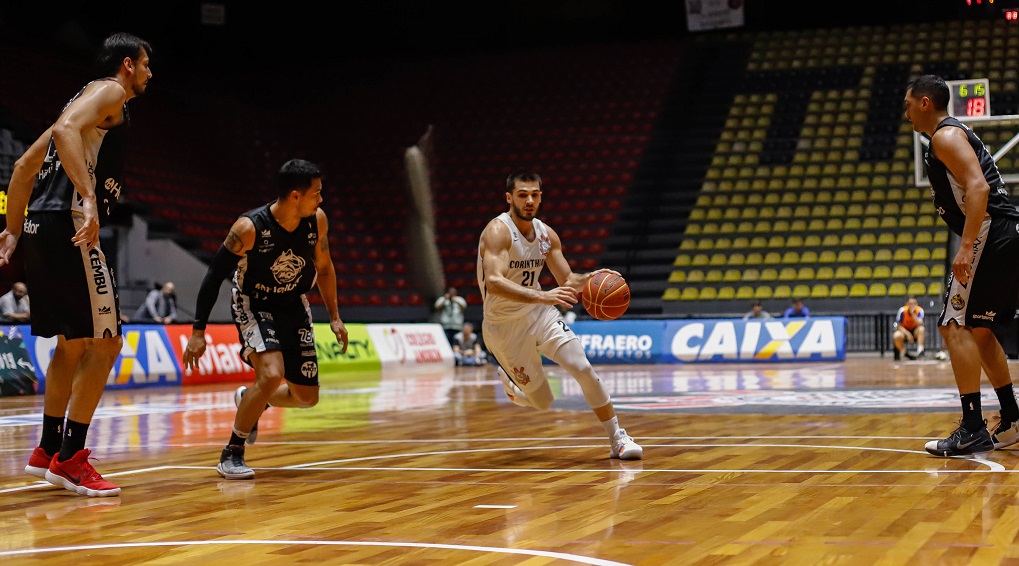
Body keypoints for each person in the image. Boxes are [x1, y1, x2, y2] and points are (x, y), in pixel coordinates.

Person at [0, 33, 152, 497]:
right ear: (127, 65)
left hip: (39, 228)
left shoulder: (77, 107)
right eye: (147, 64)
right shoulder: (109, 92)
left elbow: (25, 165)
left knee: (71, 345)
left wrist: (11, 229)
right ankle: (70, 458)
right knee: (106, 343)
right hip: (68, 227)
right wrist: (87, 198)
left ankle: (47, 448)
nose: (150, 73)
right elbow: (64, 135)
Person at [182, 159, 349, 480]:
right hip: (254, 303)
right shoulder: (249, 228)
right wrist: (198, 331)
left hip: (293, 303)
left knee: (306, 397)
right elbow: (215, 274)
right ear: (296, 195)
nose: (321, 199)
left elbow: (325, 268)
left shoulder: (317, 221)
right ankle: (232, 452)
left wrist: (335, 317)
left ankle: (251, 400)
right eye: (317, 192)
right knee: (272, 374)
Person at [477, 170, 642, 460]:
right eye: (522, 194)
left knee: (583, 368)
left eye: (535, 195)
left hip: (540, 314)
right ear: (508, 198)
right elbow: (494, 282)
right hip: (503, 326)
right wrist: (544, 295)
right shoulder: (497, 232)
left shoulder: (546, 235)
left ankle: (618, 438)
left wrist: (594, 277)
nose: (529, 200)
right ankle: (514, 387)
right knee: (542, 402)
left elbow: (567, 280)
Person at [904, 73, 1019, 456]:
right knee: (980, 330)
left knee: (952, 325)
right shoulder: (949, 136)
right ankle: (1012, 417)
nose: (906, 113)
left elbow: (979, 188)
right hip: (1007, 232)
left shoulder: (945, 136)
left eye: (908, 105)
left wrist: (966, 247)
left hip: (991, 232)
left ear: (924, 103)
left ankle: (972, 427)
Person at [892, 295, 925, 361]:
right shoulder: (902, 310)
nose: (913, 305)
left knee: (921, 329)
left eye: (914, 303)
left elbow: (919, 323)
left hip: (915, 330)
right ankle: (906, 353)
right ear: (907, 304)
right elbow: (899, 326)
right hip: (904, 331)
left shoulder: (919, 310)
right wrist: (908, 334)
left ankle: (920, 352)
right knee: (896, 335)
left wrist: (913, 314)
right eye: (910, 303)